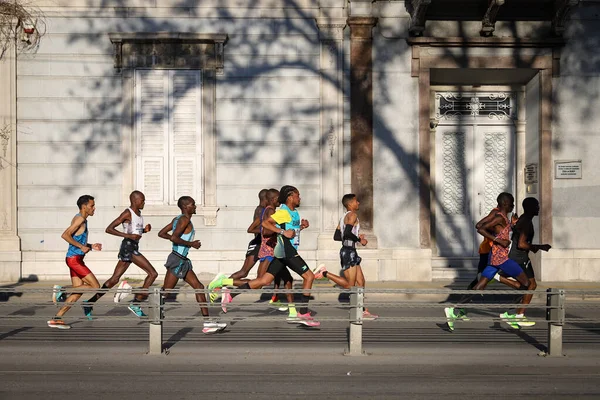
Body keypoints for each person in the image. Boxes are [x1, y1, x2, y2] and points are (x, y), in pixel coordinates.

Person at [208, 185, 320, 327]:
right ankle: (302, 313)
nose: (300, 198)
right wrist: (281, 232)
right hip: (287, 251)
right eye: (297, 195)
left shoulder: (294, 212)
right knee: (309, 276)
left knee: (264, 281)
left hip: (282, 252)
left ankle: (230, 292)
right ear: (290, 197)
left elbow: (291, 232)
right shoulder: (283, 212)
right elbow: (266, 224)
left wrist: (301, 227)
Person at [444, 192, 531, 331]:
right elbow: (480, 228)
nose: (513, 206)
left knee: (480, 286)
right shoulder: (498, 217)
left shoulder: (502, 217)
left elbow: (486, 226)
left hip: (495, 258)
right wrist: (498, 240)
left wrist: (512, 225)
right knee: (527, 284)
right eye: (512, 203)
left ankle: (453, 311)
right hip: (501, 259)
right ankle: (509, 314)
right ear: (505, 204)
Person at [82, 191, 158, 318]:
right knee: (153, 274)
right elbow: (109, 228)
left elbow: (135, 232)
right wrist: (128, 236)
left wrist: (144, 230)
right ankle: (136, 303)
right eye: (142, 200)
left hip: (132, 246)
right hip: (128, 247)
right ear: (135, 200)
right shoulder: (127, 212)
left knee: (114, 279)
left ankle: (89, 303)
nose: (144, 203)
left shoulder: (139, 214)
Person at [220, 189, 295, 317]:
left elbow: (258, 227)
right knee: (260, 281)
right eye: (278, 198)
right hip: (270, 249)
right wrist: (279, 231)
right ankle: (225, 282)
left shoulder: (267, 210)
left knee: (285, 279)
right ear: (272, 199)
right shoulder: (269, 211)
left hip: (271, 249)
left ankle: (288, 309)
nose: (280, 200)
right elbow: (264, 230)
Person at [158, 196, 226, 334]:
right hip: (177, 259)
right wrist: (191, 244)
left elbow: (162, 234)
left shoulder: (177, 219)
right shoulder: (184, 220)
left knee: (199, 287)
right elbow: (174, 237)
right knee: (165, 293)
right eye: (193, 204)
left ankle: (207, 323)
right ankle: (138, 299)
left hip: (183, 260)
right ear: (185, 207)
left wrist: (179, 241)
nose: (195, 206)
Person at [313, 194, 378, 319]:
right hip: (348, 252)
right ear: (350, 204)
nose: (358, 203)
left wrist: (354, 238)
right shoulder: (352, 215)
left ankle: (362, 310)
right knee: (350, 285)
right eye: (356, 201)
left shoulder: (343, 217)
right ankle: (325, 273)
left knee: (361, 282)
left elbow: (337, 236)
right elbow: (347, 232)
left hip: (349, 250)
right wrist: (359, 239)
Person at [47, 195, 102, 329]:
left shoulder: (81, 219)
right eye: (92, 206)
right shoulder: (80, 219)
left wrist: (90, 246)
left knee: (78, 292)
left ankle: (57, 318)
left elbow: (77, 239)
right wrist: (81, 247)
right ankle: (62, 290)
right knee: (95, 286)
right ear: (84, 207)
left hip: (74, 259)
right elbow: (65, 235)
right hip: (74, 260)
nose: (94, 208)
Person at [499, 197, 551, 328]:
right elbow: (522, 244)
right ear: (530, 208)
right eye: (536, 205)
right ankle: (519, 315)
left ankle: (513, 312)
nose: (538, 208)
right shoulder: (526, 222)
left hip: (517, 257)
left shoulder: (523, 218)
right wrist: (538, 247)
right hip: (520, 258)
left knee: (525, 286)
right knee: (531, 285)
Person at [211, 189, 269, 304]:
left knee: (251, 277)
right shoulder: (261, 210)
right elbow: (256, 229)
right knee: (247, 275)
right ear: (265, 199)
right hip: (258, 244)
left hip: (260, 245)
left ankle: (224, 284)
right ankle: (223, 282)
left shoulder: (262, 210)